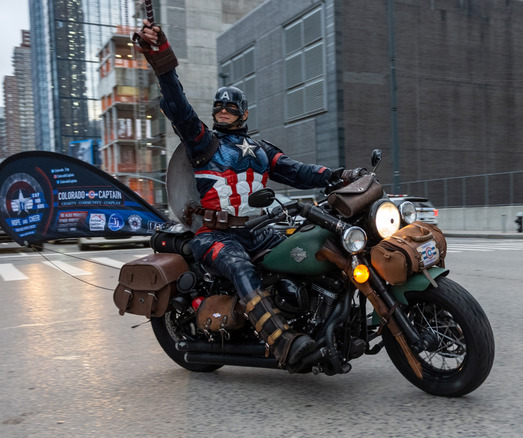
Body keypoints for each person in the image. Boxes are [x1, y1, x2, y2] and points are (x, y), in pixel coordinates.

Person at [136, 20, 364, 369]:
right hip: (215, 235)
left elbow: (298, 171)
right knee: (240, 267)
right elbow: (178, 104)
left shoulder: (261, 150)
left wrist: (339, 175)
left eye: (230, 108)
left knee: (314, 250)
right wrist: (160, 57)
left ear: (243, 113)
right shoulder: (202, 142)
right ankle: (284, 343)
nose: (223, 112)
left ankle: (318, 319)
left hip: (259, 231)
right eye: (218, 108)